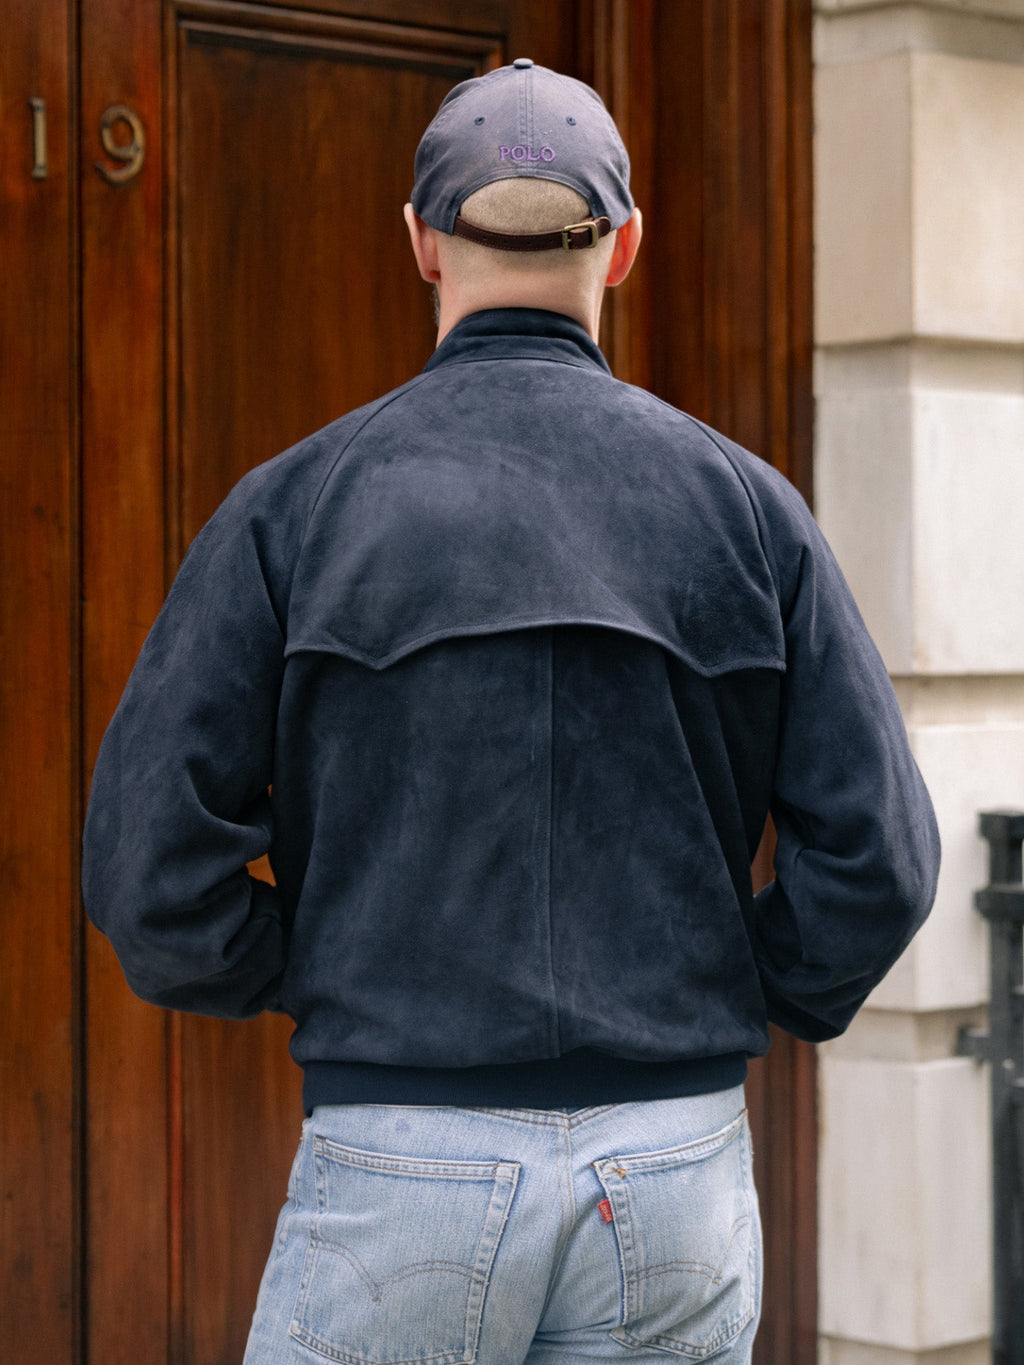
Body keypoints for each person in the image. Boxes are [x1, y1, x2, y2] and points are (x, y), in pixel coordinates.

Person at [82, 61, 940, 1364]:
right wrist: (724, 985)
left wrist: (322, 968)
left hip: (403, 1151)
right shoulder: (749, 510)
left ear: (421, 245)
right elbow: (880, 862)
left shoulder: (296, 506)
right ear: (629, 248)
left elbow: (150, 873)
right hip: (674, 1166)